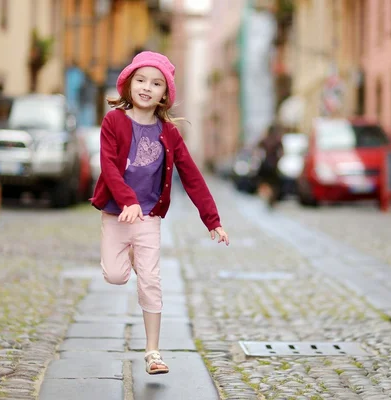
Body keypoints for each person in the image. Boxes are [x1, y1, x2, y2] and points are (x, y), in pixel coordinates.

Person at [90, 51, 229, 375]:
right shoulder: (114, 121)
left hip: (148, 217)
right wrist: (128, 201)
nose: (146, 87)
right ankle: (136, 260)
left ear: (164, 93)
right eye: (140, 80)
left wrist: (213, 220)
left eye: (155, 83)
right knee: (115, 275)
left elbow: (192, 177)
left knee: (151, 282)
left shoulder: (169, 133)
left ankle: (153, 351)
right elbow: (109, 167)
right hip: (116, 215)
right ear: (128, 84)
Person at [257, 124, 284, 208]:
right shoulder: (277, 140)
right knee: (275, 184)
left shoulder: (265, 140)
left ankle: (266, 196)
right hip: (273, 166)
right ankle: (271, 199)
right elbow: (282, 153)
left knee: (264, 182)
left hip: (265, 165)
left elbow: (258, 150)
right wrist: (277, 160)